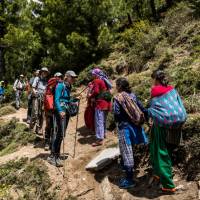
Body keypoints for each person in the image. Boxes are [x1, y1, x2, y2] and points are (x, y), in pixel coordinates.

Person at [148, 69, 187, 193]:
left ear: (155, 79)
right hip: (176, 125)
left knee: (161, 153)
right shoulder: (172, 89)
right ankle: (159, 173)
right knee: (163, 149)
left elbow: (155, 108)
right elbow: (178, 104)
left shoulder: (155, 91)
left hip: (162, 126)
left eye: (152, 79)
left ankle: (168, 185)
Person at [113, 78, 148, 189]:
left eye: (116, 85)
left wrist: (120, 121)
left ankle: (129, 180)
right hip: (136, 126)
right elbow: (142, 108)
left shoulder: (118, 97)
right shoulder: (133, 95)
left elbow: (117, 113)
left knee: (127, 151)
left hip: (125, 128)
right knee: (129, 149)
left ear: (119, 86)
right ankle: (125, 167)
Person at [48, 70, 77, 167]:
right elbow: (56, 99)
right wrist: (60, 110)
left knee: (62, 133)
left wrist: (73, 99)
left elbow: (66, 99)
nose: (73, 79)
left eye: (74, 77)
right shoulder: (60, 85)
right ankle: (53, 156)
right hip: (60, 111)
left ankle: (56, 154)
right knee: (59, 133)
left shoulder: (68, 86)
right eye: (72, 77)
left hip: (66, 111)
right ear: (67, 76)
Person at [89, 68, 112, 147]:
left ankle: (99, 139)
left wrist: (90, 96)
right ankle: (104, 134)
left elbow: (96, 91)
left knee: (99, 121)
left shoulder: (97, 81)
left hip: (100, 104)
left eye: (92, 74)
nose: (92, 75)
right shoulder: (104, 80)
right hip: (107, 103)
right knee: (103, 120)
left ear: (95, 74)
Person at [44, 72, 63, 151]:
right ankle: (47, 141)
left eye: (60, 77)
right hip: (49, 108)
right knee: (49, 125)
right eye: (57, 76)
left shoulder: (62, 85)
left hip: (55, 108)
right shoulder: (52, 84)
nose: (58, 78)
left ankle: (51, 142)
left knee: (54, 126)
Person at [30, 67, 49, 134]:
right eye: (43, 71)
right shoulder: (37, 79)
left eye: (46, 72)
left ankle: (39, 129)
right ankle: (31, 127)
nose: (44, 73)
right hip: (37, 97)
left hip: (43, 98)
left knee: (41, 114)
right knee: (35, 112)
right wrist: (35, 92)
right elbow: (33, 87)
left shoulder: (46, 81)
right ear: (41, 72)